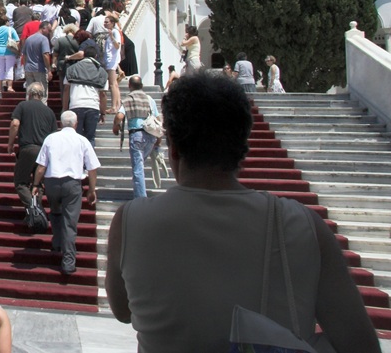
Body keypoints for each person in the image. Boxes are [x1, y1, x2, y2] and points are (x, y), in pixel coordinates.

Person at [104, 71, 379, 353]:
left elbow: (123, 310)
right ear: (242, 144)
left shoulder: (130, 222)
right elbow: (361, 344)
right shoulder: (302, 225)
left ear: (173, 146)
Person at [32, 110, 100, 274]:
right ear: (76, 124)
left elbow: (41, 166)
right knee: (70, 222)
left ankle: (57, 242)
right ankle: (68, 260)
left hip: (52, 181)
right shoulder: (82, 140)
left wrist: (36, 184)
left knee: (55, 212)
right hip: (72, 182)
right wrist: (91, 189)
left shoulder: (51, 139)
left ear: (60, 123)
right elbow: (92, 168)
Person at [7, 81, 57, 208]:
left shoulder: (23, 106)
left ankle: (32, 207)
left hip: (28, 148)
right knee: (37, 182)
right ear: (42, 95)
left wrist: (10, 143)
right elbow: (54, 135)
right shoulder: (49, 111)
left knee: (20, 182)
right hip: (43, 150)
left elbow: (15, 124)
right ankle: (37, 212)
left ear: (29, 94)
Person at [121, 76, 159, 199]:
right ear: (142, 85)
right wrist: (159, 137)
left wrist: (116, 127)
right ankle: (140, 192)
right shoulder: (149, 99)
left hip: (137, 134)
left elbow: (119, 116)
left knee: (138, 168)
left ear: (129, 86)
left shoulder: (128, 99)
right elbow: (157, 119)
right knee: (140, 164)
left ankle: (140, 198)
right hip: (151, 135)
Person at [62, 44, 108, 145]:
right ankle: (88, 160)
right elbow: (103, 95)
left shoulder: (72, 69)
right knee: (90, 138)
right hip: (93, 106)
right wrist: (103, 112)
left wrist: (65, 108)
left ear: (83, 55)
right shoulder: (102, 72)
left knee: (75, 138)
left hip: (75, 105)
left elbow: (66, 89)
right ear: (96, 56)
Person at [21, 22, 53, 101]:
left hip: (29, 68)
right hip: (39, 69)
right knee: (42, 92)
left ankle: (29, 109)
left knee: (30, 91)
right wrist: (49, 70)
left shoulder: (29, 39)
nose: (49, 32)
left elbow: (24, 55)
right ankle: (42, 111)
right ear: (43, 28)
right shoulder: (44, 39)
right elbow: (45, 55)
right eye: (48, 30)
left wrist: (25, 67)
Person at [0, 15, 19, 94]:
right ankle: (9, 86)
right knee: (9, 69)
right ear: (6, 22)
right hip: (9, 51)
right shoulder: (11, 29)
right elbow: (17, 40)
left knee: (0, 69)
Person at [101, 14, 122, 113]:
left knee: (113, 84)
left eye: (107, 22)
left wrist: (111, 36)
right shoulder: (112, 32)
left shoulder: (114, 32)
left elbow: (117, 46)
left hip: (111, 61)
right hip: (110, 60)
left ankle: (114, 106)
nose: (105, 24)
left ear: (112, 23)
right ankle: (117, 105)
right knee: (115, 84)